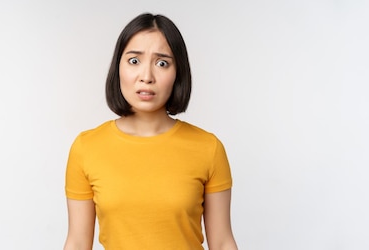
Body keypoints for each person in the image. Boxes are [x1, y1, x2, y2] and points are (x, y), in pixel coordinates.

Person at [64, 13, 238, 250]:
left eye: (162, 63)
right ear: (118, 67)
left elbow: (222, 243)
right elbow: (77, 243)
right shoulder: (86, 148)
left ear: (178, 73)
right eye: (134, 61)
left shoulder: (208, 148)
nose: (146, 77)